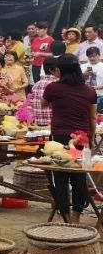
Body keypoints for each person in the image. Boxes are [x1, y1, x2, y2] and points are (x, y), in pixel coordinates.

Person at [43, 55, 97, 224]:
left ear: (61, 70)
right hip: (82, 136)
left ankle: (64, 215)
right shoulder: (89, 90)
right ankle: (76, 217)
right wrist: (91, 139)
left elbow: (44, 104)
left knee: (60, 177)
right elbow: (93, 118)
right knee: (79, 176)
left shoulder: (53, 88)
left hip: (60, 137)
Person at [32, 58, 59, 127]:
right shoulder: (57, 84)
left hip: (38, 123)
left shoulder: (36, 84)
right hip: (53, 124)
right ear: (56, 69)